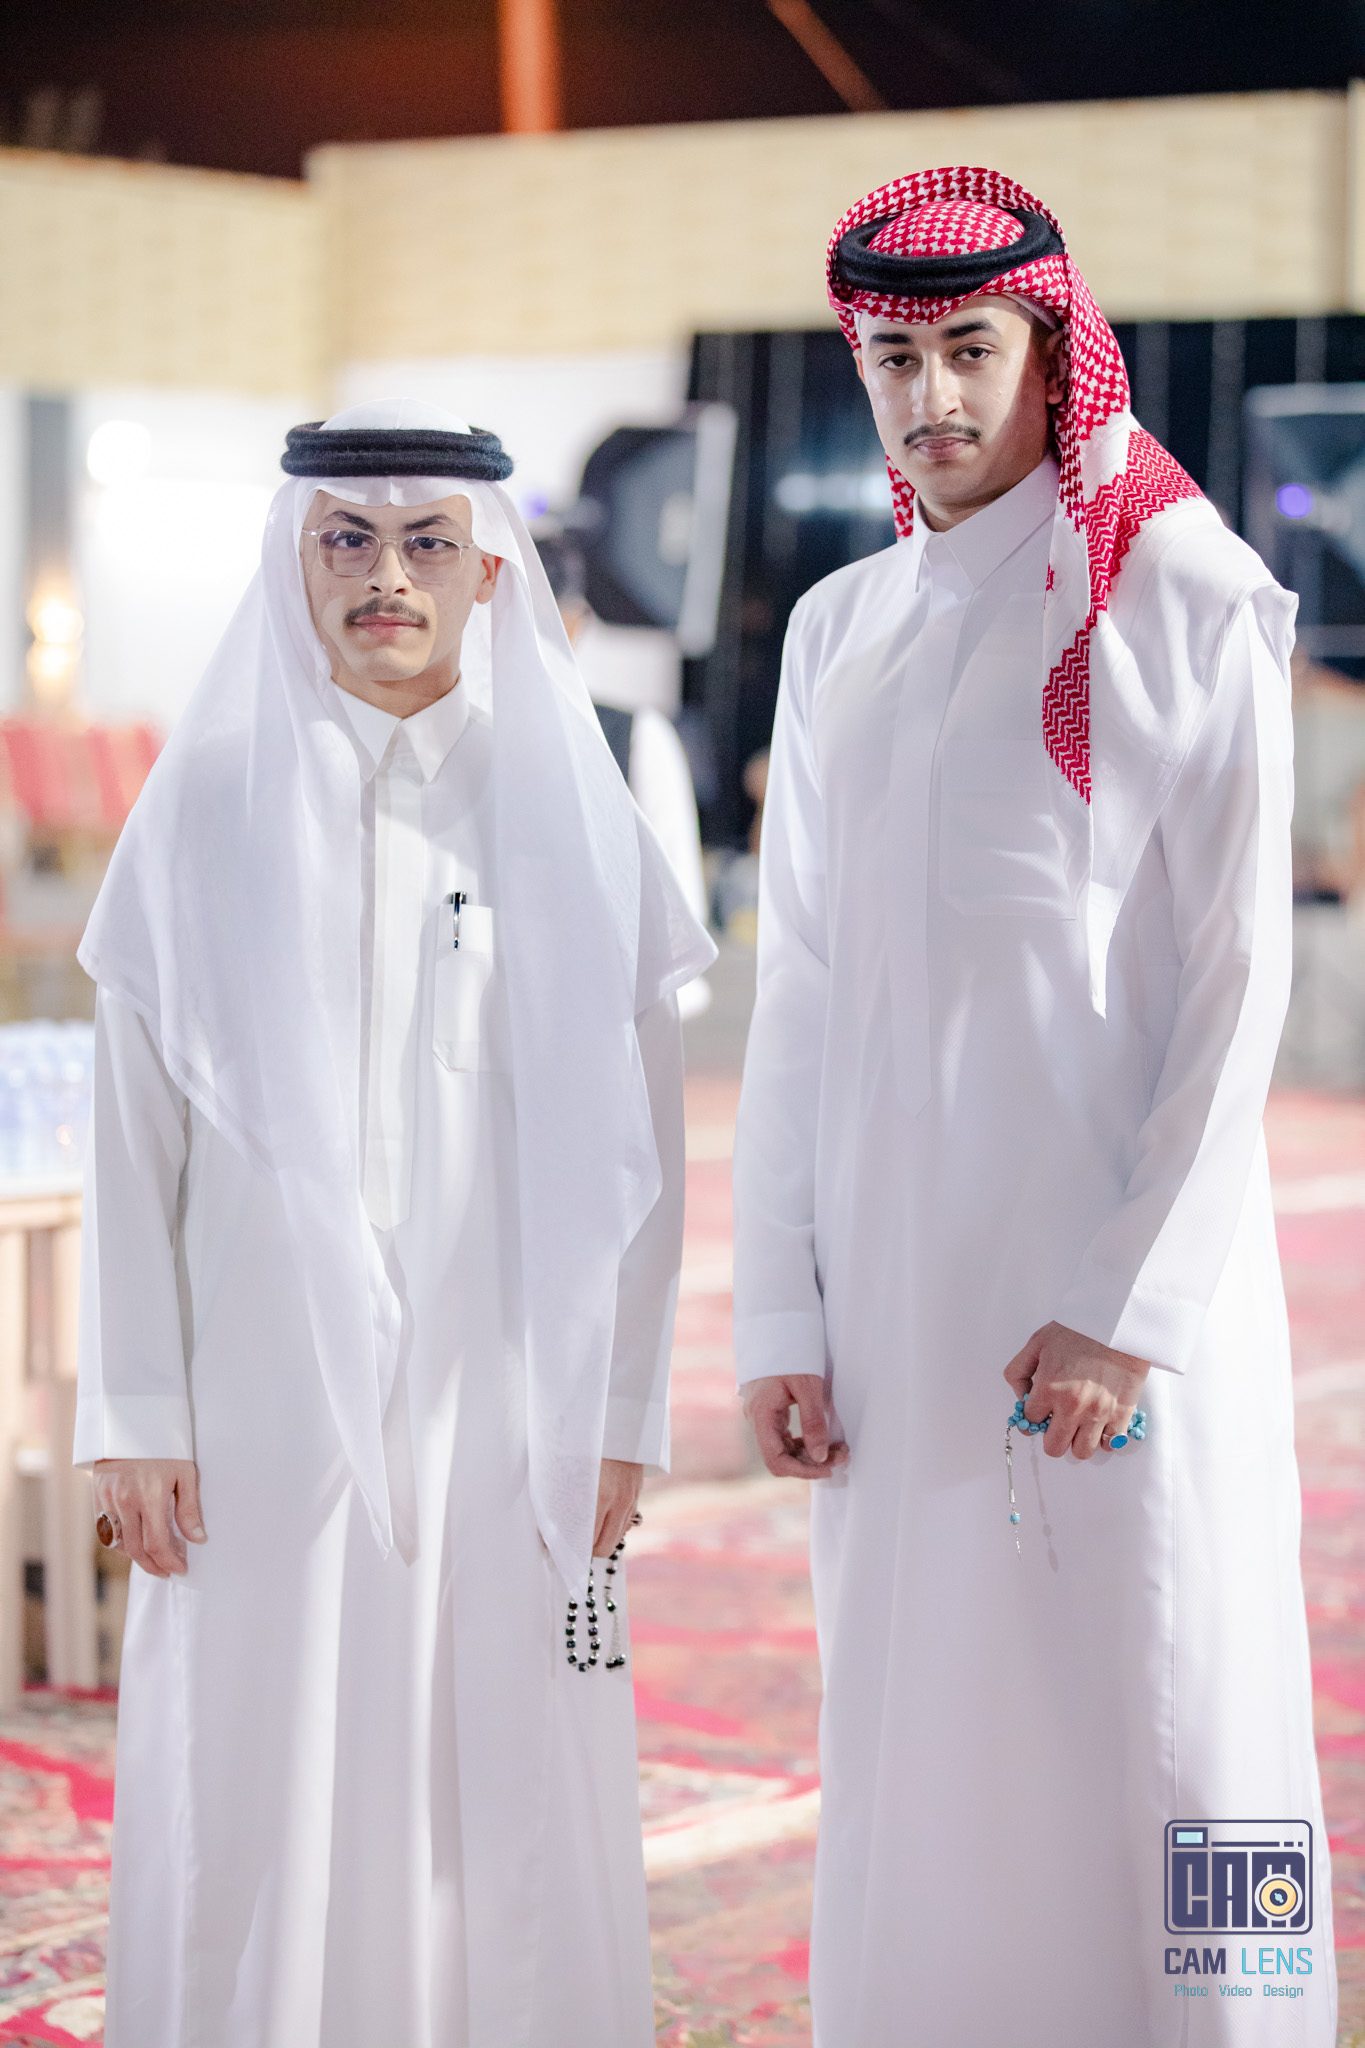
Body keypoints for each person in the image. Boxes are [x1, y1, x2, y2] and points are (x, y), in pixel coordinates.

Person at [733, 168, 1333, 2045]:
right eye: (892, 357)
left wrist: (1127, 1308)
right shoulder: (839, 630)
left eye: (968, 349)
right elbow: (797, 990)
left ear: (1052, 351)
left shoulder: (1187, 595)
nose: (930, 398)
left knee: (1162, 1705)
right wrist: (778, 1312)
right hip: (895, 1312)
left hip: (1110, 1305)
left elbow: (1238, 985)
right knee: (923, 1731)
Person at [74, 397, 714, 2048]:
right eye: (347, 541)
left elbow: (645, 1153)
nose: (386, 579)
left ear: (489, 572)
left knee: (492, 1770)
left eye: (428, 543)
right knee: (257, 1756)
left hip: (505, 1396)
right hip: (258, 1395)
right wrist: (135, 1410)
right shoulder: (201, 811)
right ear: (291, 564)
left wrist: (622, 1412)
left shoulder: (571, 812)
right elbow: (133, 1137)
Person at [535, 526, 713, 1017]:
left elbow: (674, 933)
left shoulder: (633, 739)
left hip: (597, 1026)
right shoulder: (444, 736)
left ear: (574, 624)